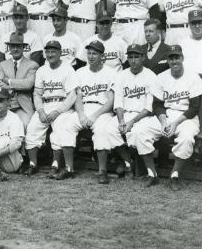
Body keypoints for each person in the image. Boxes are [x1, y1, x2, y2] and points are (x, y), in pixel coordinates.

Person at [152, 45, 202, 191]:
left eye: (177, 57)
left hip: (186, 117)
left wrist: (174, 124)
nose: (174, 61)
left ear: (182, 58)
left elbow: (194, 107)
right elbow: (157, 105)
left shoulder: (193, 77)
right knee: (140, 130)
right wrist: (163, 121)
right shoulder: (161, 77)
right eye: (171, 58)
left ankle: (174, 175)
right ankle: (151, 173)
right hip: (167, 114)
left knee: (187, 138)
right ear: (167, 60)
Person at [24, 40, 78, 180]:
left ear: (60, 53)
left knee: (60, 128)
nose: (50, 54)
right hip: (45, 105)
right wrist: (41, 110)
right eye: (47, 51)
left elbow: (72, 95)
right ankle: (32, 164)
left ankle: (55, 164)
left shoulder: (68, 69)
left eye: (53, 51)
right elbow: (37, 94)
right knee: (32, 127)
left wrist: (58, 111)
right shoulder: (42, 70)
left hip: (62, 106)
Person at [75, 40, 125, 184]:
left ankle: (102, 171)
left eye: (94, 53)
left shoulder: (111, 73)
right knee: (65, 124)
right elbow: (77, 97)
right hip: (83, 109)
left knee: (101, 129)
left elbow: (111, 101)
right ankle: (66, 167)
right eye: (89, 53)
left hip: (102, 110)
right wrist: (81, 114)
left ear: (102, 56)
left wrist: (95, 116)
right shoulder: (80, 72)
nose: (91, 56)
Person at [114, 44, 159, 186]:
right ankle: (128, 162)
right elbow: (118, 101)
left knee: (137, 133)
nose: (133, 60)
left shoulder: (151, 76)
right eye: (130, 57)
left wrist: (132, 121)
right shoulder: (122, 75)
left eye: (137, 57)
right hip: (124, 114)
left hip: (143, 116)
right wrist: (121, 120)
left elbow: (149, 107)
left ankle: (150, 172)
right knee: (106, 129)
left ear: (143, 58)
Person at [0, 32, 39, 130]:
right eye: (13, 46)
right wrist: (10, 88)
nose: (15, 49)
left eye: (18, 46)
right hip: (4, 105)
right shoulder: (2, 65)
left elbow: (28, 84)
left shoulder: (32, 65)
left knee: (25, 124)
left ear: (23, 48)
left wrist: (8, 81)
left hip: (22, 107)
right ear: (9, 48)